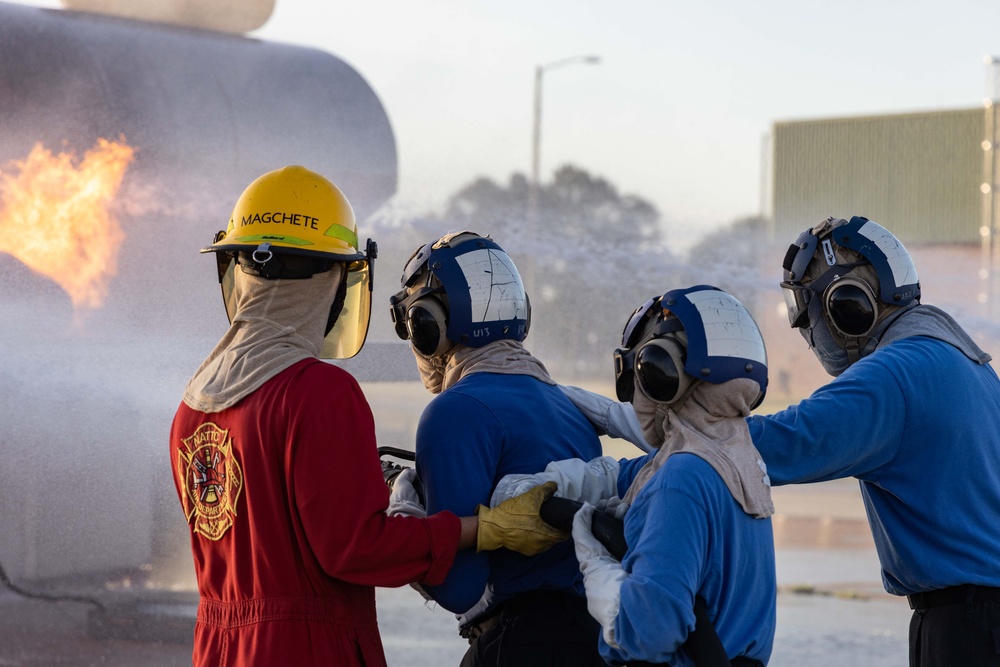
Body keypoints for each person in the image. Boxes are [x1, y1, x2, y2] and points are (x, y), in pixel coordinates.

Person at [559, 216, 1000, 667]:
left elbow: (762, 445)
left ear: (846, 305)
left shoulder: (892, 376)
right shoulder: (966, 360)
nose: (804, 329)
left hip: (967, 624)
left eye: (808, 308)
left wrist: (625, 446)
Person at [169, 167, 565, 667]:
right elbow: (357, 548)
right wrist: (486, 529)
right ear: (331, 282)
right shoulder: (317, 391)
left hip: (220, 650)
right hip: (306, 651)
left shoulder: (193, 406)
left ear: (238, 272)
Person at [493, 285, 777, 666]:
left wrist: (602, 574)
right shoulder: (739, 464)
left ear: (663, 375)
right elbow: (630, 474)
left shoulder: (681, 479)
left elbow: (649, 634)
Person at [387, 230, 607, 666]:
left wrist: (404, 508)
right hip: (589, 640)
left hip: (517, 645)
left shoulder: (453, 412)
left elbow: (458, 588)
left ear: (427, 325)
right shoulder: (566, 406)